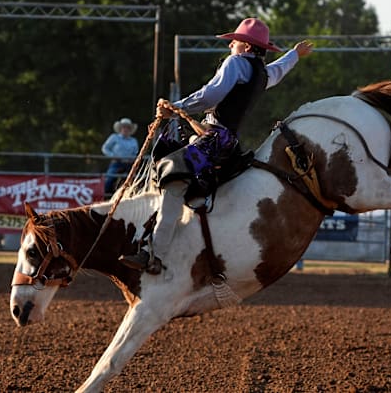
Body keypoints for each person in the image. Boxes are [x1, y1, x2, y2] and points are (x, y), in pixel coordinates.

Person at [120, 17, 314, 272]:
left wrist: (177, 107)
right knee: (179, 161)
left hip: (213, 141)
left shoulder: (237, 63)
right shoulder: (263, 74)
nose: (230, 46)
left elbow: (211, 94)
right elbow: (279, 69)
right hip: (225, 142)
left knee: (173, 177)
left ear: (245, 47)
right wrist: (295, 54)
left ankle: (155, 254)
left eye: (234, 42)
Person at [101, 117, 139, 195]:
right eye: (124, 127)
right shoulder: (114, 137)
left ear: (130, 129)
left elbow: (136, 152)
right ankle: (105, 195)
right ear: (120, 128)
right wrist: (113, 156)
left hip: (129, 164)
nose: (125, 129)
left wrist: (133, 159)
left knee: (137, 180)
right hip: (116, 163)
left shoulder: (133, 141)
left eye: (128, 127)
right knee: (109, 179)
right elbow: (105, 148)